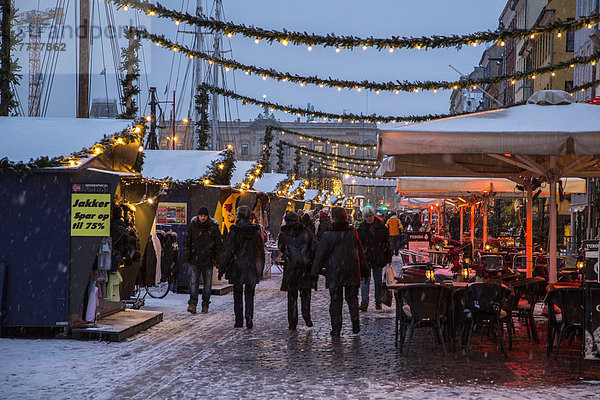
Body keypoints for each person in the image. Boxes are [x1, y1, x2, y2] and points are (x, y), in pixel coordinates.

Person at [312, 207, 367, 336]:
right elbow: (361, 252)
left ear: (334, 218)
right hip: (351, 270)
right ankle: (355, 324)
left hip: (334, 271)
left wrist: (314, 272)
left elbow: (320, 254)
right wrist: (364, 269)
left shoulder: (328, 234)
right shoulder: (352, 232)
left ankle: (336, 328)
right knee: (352, 299)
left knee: (336, 301)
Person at [218, 205, 265, 328]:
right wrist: (260, 268)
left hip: (237, 266)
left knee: (237, 295)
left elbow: (229, 251)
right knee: (249, 294)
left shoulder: (235, 231)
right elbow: (260, 251)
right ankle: (249, 315)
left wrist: (222, 268)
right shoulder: (255, 232)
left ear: (238, 215)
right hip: (251, 267)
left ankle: (239, 320)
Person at [278, 211, 317, 330]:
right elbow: (314, 246)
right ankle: (306, 315)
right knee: (305, 294)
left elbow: (281, 247)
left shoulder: (284, 234)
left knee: (292, 296)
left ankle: (292, 321)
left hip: (291, 267)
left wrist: (289, 253)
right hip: (305, 266)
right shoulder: (305, 231)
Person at [183, 207, 222, 314]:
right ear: (198, 216)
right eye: (201, 216)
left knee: (207, 285)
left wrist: (217, 259)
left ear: (207, 216)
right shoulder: (193, 227)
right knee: (194, 283)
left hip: (207, 260)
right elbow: (187, 243)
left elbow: (218, 245)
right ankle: (193, 304)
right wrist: (186, 257)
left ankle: (205, 305)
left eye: (204, 216)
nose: (203, 218)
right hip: (195, 260)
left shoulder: (213, 228)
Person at [357, 206, 392, 311]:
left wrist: (388, 260)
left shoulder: (382, 228)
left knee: (378, 281)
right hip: (366, 259)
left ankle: (378, 302)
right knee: (365, 282)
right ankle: (364, 303)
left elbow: (387, 245)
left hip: (378, 258)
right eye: (367, 216)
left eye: (370, 216)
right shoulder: (361, 229)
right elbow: (358, 245)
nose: (369, 218)